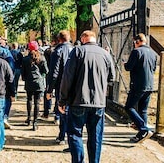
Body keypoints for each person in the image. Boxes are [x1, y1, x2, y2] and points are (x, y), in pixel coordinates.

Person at [59, 30, 115, 163]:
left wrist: (62, 100)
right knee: (95, 136)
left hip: (78, 101)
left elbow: (67, 77)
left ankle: (78, 161)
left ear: (83, 39)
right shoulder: (105, 54)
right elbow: (112, 78)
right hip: (98, 102)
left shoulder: (77, 52)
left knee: (75, 134)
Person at [124, 33, 157, 143]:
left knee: (129, 107)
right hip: (150, 84)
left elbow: (129, 67)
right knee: (143, 110)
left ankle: (143, 128)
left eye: (134, 42)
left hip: (138, 84)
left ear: (137, 41)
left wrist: (125, 64)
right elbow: (153, 69)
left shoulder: (136, 52)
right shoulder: (153, 53)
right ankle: (141, 134)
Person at [46, 30, 73, 145]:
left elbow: (54, 72)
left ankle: (62, 136)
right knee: (71, 111)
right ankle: (70, 136)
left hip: (61, 85)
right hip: (74, 84)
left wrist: (49, 89)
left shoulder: (57, 52)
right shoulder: (75, 50)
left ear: (59, 39)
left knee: (62, 110)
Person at [21, 41, 48, 131]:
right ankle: (35, 122)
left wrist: (25, 78)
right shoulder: (42, 58)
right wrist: (41, 77)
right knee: (37, 102)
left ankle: (29, 118)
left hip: (29, 82)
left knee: (29, 100)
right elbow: (46, 71)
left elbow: (23, 72)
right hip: (38, 83)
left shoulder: (25, 59)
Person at [0, 35, 15, 129]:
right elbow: (11, 67)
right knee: (7, 99)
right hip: (5, 79)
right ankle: (4, 117)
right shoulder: (7, 52)